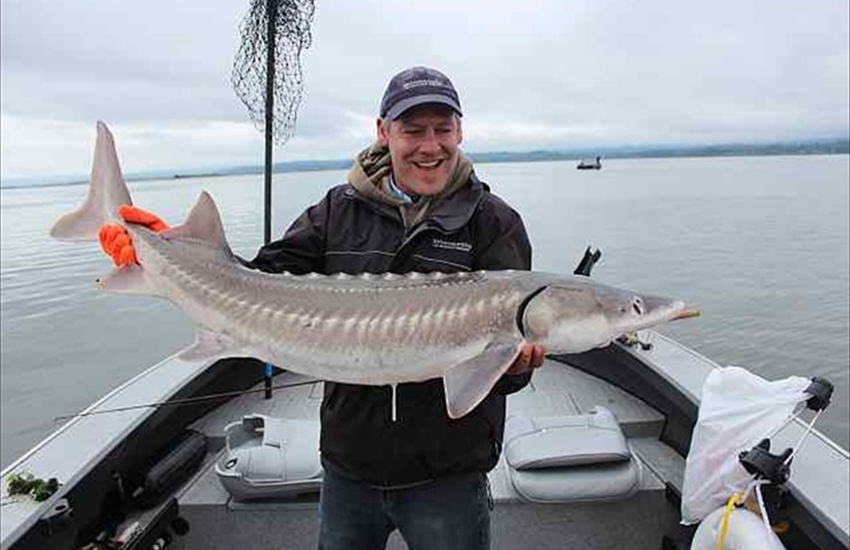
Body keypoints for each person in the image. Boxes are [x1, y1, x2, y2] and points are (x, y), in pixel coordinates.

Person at [99, 66, 545, 550]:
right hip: (348, 466)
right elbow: (254, 279)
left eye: (444, 129)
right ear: (383, 132)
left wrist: (516, 367)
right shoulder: (336, 210)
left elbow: (510, 376)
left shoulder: (493, 222)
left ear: (460, 130)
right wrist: (169, 248)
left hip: (448, 474)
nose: (430, 146)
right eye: (413, 130)